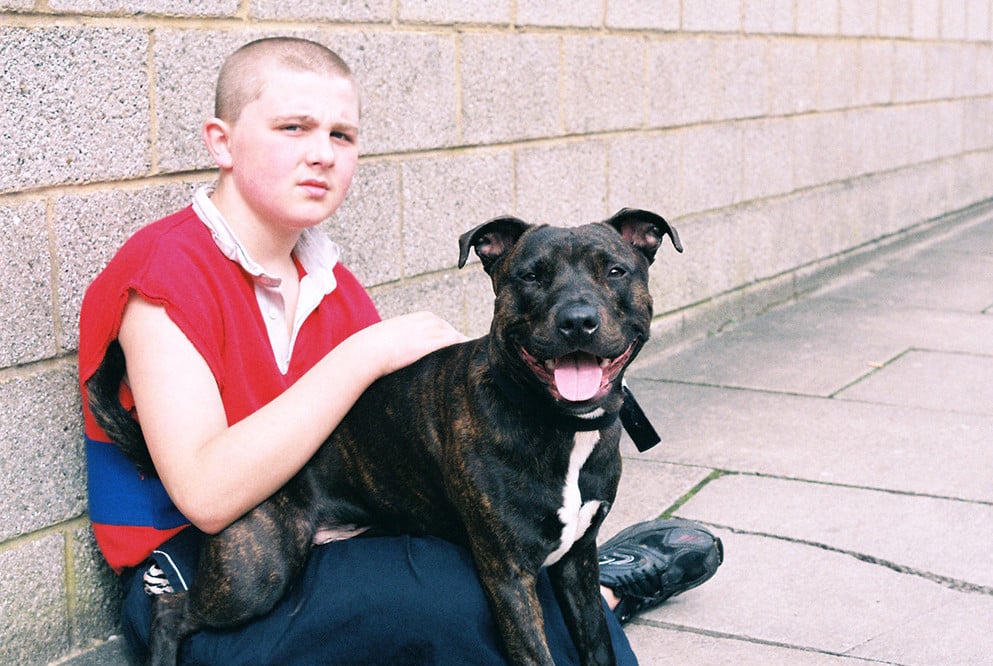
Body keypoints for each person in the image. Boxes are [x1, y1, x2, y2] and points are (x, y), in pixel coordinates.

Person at [78, 37, 722, 665]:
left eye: (341, 135)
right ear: (220, 141)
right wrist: (369, 350)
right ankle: (604, 587)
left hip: (334, 530)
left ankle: (594, 587)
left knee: (493, 566)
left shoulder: (330, 281)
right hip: (197, 564)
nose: (322, 154)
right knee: (458, 604)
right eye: (293, 128)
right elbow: (207, 496)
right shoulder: (165, 273)